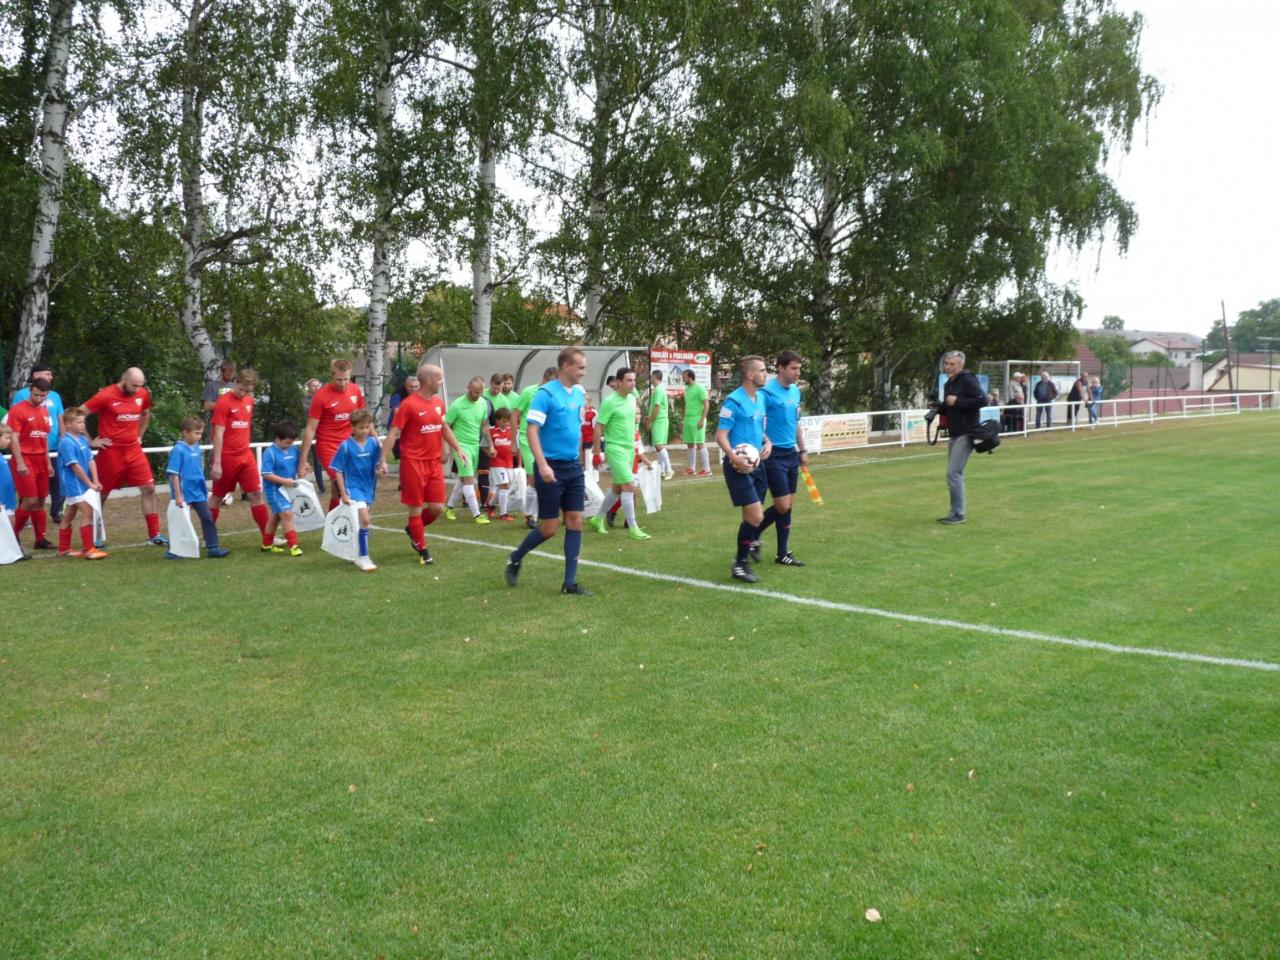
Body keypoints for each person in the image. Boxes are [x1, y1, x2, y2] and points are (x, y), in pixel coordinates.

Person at [504, 348, 592, 595]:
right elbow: (532, 430)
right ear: (566, 366)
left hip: (572, 467)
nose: (584, 372)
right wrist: (542, 464)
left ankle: (569, 584)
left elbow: (574, 428)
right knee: (549, 528)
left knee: (575, 520)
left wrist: (580, 459)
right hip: (550, 466)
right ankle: (516, 557)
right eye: (580, 367)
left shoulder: (578, 393)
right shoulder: (545, 394)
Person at [380, 363, 467, 566]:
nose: (441, 382)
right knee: (416, 508)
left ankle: (413, 529)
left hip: (433, 463)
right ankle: (422, 548)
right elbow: (394, 433)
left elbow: (444, 428)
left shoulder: (438, 403)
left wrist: (457, 449)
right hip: (413, 463)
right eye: (439, 378)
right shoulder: (409, 405)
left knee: (437, 508)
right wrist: (383, 459)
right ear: (428, 380)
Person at [82, 367, 167, 546]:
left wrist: (139, 435)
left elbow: (145, 413)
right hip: (111, 452)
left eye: (140, 385)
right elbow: (78, 413)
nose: (137, 389)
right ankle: (95, 535)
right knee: (101, 493)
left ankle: (154, 534)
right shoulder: (106, 395)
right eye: (134, 385)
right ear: (124, 380)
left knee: (149, 488)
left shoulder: (142, 393)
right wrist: (90, 441)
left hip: (134, 451)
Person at [715, 356, 772, 583]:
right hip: (737, 467)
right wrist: (734, 458)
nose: (766, 374)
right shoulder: (733, 402)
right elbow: (721, 436)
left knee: (751, 518)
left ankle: (742, 558)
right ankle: (740, 564)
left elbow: (758, 428)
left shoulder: (760, 398)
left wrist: (767, 442)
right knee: (756, 515)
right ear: (750, 374)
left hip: (757, 466)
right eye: (762, 370)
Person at [755, 349, 808, 567]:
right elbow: (756, 421)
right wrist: (765, 441)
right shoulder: (765, 392)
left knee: (787, 505)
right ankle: (752, 533)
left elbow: (796, 423)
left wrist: (802, 450)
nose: (798, 373)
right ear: (781, 368)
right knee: (783, 505)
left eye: (799, 369)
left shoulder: (795, 392)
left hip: (791, 453)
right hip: (774, 455)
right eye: (794, 368)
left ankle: (782, 553)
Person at [590, 367, 653, 540]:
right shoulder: (609, 402)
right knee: (630, 486)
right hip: (615, 448)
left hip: (629, 449)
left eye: (634, 380)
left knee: (617, 488)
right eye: (629, 380)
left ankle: (597, 519)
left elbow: (632, 423)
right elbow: (598, 427)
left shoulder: (632, 398)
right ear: (618, 382)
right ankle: (633, 528)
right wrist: (596, 453)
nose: (633, 384)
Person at [209, 369, 271, 542]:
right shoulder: (223, 402)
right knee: (217, 497)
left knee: (256, 494)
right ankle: (209, 537)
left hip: (246, 456)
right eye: (242, 389)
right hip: (227, 458)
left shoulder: (249, 401)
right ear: (236, 382)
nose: (244, 393)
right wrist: (217, 462)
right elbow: (218, 433)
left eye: (248, 390)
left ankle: (268, 537)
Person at [298, 358, 365, 512]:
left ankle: (333, 521)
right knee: (343, 482)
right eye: (339, 380)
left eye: (346, 379)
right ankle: (348, 520)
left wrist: (374, 439)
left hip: (348, 444)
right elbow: (310, 429)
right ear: (332, 375)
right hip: (328, 446)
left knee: (337, 488)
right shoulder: (321, 396)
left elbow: (363, 418)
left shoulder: (355, 390)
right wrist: (303, 460)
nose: (343, 383)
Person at [165, 416, 230, 558]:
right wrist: (178, 495)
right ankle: (173, 550)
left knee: (207, 517)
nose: (199, 436)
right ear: (185, 432)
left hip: (198, 491)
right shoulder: (178, 450)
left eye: (200, 433)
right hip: (184, 492)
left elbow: (197, 470)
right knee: (180, 521)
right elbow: (174, 474)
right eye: (196, 433)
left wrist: (203, 490)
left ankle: (213, 547)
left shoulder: (198, 448)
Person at [12, 364, 66, 522]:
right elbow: (15, 425)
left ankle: (56, 512)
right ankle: (22, 519)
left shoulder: (54, 396)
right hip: (27, 451)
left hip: (50, 448)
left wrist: (63, 440)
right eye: (47, 374)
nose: (51, 377)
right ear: (35, 375)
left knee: (53, 484)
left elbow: (60, 418)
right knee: (29, 492)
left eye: (51, 374)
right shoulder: (22, 396)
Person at [938, 350, 987, 525]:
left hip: (966, 433)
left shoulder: (968, 379)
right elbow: (949, 405)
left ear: (961, 365)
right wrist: (939, 407)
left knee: (954, 473)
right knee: (953, 474)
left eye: (952, 364)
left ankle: (959, 513)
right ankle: (955, 512)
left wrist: (957, 401)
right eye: (946, 363)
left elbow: (983, 400)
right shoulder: (949, 383)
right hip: (954, 432)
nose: (948, 367)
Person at [329, 408, 380, 572]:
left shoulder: (373, 443)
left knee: (360, 523)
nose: (364, 431)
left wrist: (381, 469)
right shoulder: (345, 446)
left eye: (367, 427)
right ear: (352, 427)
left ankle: (355, 552)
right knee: (365, 520)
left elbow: (378, 464)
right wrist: (343, 493)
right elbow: (338, 470)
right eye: (361, 427)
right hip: (353, 487)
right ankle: (363, 557)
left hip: (368, 487)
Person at [7, 377, 55, 550]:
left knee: (41, 499)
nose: (39, 398)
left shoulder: (44, 411)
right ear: (30, 391)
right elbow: (13, 437)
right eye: (36, 395)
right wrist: (20, 462)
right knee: (30, 499)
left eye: (43, 395)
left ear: (47, 394)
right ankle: (13, 535)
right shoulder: (18, 410)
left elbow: (44, 439)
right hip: (25, 458)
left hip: (41, 459)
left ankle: (40, 539)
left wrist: (48, 462)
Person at [55, 406, 108, 559]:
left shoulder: (83, 439)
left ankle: (64, 548)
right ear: (68, 424)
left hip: (81, 483)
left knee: (69, 514)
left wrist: (95, 480)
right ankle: (88, 549)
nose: (82, 425)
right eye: (78, 422)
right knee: (88, 512)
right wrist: (90, 483)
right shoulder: (66, 442)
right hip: (73, 484)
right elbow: (75, 466)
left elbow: (91, 460)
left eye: (83, 422)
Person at [443, 376, 494, 524]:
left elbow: (484, 425)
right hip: (461, 446)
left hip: (475, 446)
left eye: (480, 392)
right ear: (468, 388)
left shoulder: (483, 403)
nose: (478, 395)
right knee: (469, 480)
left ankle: (449, 507)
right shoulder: (457, 405)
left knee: (463, 478)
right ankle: (477, 515)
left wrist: (490, 444)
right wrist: (446, 448)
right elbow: (445, 426)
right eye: (476, 392)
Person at [513, 367, 557, 527]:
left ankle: (533, 513)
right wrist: (513, 442)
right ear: (545, 379)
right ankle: (532, 516)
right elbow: (515, 416)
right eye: (553, 382)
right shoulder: (528, 392)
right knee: (534, 477)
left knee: (543, 479)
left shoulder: (554, 394)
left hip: (544, 440)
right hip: (527, 438)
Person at [259, 420, 304, 556]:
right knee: (286, 513)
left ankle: (266, 545)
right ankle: (293, 546)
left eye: (291, 442)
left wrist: (304, 468)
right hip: (274, 490)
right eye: (286, 443)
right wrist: (285, 481)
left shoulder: (293, 450)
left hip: (288, 489)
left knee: (275, 516)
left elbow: (299, 464)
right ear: (277, 438)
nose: (289, 445)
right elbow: (266, 474)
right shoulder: (270, 452)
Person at [485, 407, 516, 520]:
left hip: (509, 463)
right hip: (497, 463)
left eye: (508, 421)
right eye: (504, 421)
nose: (506, 423)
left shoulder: (512, 431)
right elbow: (483, 446)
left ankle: (490, 505)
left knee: (506, 487)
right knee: (504, 486)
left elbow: (516, 447)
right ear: (497, 420)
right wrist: (490, 452)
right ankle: (503, 514)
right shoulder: (491, 432)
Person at [644, 370, 674, 480]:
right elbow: (655, 407)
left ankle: (669, 469)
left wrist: (650, 421)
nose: (650, 378)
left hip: (659, 420)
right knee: (658, 447)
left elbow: (657, 407)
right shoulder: (658, 390)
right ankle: (662, 470)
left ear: (655, 376)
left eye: (651, 376)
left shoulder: (658, 390)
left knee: (659, 445)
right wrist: (649, 417)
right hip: (659, 420)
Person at [682, 369, 711, 476]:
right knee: (690, 444)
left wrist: (702, 419)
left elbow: (706, 404)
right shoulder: (686, 389)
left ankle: (707, 470)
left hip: (697, 418)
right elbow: (687, 404)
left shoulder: (700, 388)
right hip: (688, 419)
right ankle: (691, 468)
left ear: (690, 377)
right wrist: (684, 418)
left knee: (700, 444)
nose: (683, 379)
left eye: (684, 377)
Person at [302, 378, 325, 494]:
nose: (317, 388)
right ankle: (321, 487)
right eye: (314, 386)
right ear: (309, 388)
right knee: (318, 460)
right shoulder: (306, 400)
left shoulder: (324, 397)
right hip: (314, 434)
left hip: (326, 432)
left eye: (318, 385)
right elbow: (311, 412)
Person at [202, 360, 237, 424]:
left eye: (232, 374)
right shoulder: (212, 385)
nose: (231, 376)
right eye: (228, 374)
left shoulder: (236, 387)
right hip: (216, 422)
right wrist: (225, 405)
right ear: (221, 372)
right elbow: (206, 406)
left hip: (232, 423)